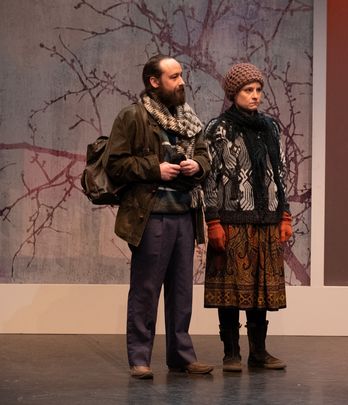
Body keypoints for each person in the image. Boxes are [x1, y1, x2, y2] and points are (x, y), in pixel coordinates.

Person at [106, 54, 214, 379]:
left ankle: (181, 355)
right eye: (174, 76)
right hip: (151, 215)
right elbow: (115, 164)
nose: (181, 82)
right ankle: (140, 358)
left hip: (185, 214)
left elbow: (204, 153)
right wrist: (156, 169)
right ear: (154, 82)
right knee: (146, 290)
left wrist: (198, 166)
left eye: (181, 75)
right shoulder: (133, 116)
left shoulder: (187, 119)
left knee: (182, 291)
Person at [202, 62, 292, 372]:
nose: (255, 96)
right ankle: (231, 353)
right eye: (247, 90)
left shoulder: (270, 127)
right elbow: (209, 178)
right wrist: (213, 220)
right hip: (232, 218)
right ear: (233, 94)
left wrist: (285, 214)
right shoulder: (217, 129)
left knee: (258, 289)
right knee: (230, 287)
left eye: (258, 90)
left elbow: (279, 173)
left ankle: (259, 351)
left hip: (266, 218)